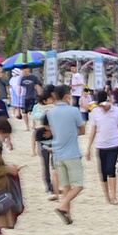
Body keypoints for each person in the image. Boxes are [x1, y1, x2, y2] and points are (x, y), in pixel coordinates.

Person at [43, 86, 88, 225]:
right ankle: (63, 205)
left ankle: (68, 215)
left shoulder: (50, 112)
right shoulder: (73, 111)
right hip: (72, 153)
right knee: (78, 185)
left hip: (57, 152)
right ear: (67, 96)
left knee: (67, 186)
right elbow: (82, 129)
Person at [90, 93, 118, 205]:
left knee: (111, 169)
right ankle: (107, 197)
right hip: (100, 145)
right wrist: (88, 147)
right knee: (103, 172)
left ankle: (114, 196)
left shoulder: (117, 111)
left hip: (113, 144)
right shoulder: (95, 112)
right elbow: (93, 130)